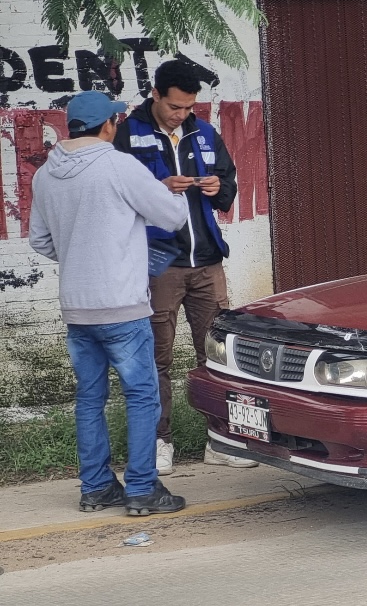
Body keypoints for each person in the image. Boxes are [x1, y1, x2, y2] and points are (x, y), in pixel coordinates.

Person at [29, 90, 189, 515]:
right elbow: (171, 218)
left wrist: (82, 251)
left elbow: (41, 240)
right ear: (107, 126)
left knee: (90, 397)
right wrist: (171, 191)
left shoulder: (45, 175)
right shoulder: (119, 166)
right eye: (116, 121)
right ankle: (141, 489)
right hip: (121, 305)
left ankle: (97, 488)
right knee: (141, 394)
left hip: (77, 309)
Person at [113, 60, 258, 474]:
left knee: (216, 355)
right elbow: (116, 198)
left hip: (207, 261)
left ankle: (223, 439)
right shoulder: (127, 134)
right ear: (156, 95)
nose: (182, 115)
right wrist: (155, 191)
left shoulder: (203, 130)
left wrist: (216, 187)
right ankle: (160, 443)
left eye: (189, 107)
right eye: (175, 107)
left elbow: (228, 183)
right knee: (155, 359)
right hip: (159, 263)